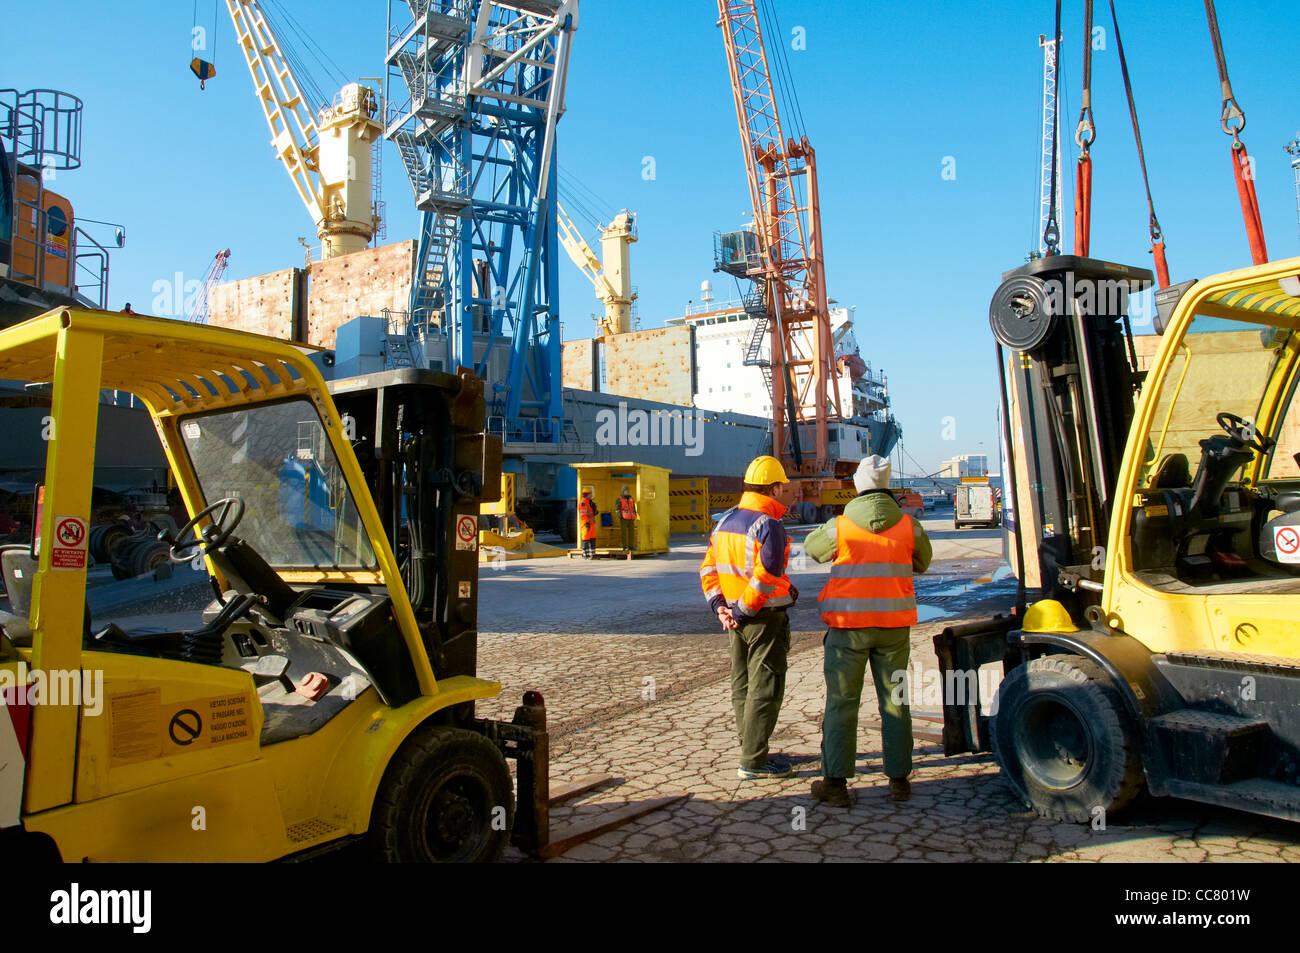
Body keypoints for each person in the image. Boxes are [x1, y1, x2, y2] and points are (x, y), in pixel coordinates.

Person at [805, 454, 931, 806]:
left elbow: (812, 550)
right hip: (893, 629)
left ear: (858, 486)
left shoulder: (841, 526)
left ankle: (835, 784)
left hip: (848, 630)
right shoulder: (908, 525)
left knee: (842, 702)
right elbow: (924, 561)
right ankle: (899, 781)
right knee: (896, 702)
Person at [700, 455, 798, 780]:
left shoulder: (724, 522)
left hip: (734, 621)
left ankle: (750, 747)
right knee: (766, 686)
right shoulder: (769, 525)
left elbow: (709, 569)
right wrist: (743, 610)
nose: (787, 492)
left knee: (741, 684)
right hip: (762, 619)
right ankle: (754, 761)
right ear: (774, 487)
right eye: (784, 488)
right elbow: (765, 575)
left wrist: (721, 609)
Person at [578, 486, 598, 558]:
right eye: (590, 494)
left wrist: (595, 511)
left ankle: (592, 554)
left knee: (592, 539)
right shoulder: (583, 503)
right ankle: (585, 554)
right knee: (585, 538)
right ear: (586, 494)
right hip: (586, 524)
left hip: (591, 524)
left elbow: (590, 513)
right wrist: (586, 523)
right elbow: (583, 515)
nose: (591, 495)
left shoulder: (589, 503)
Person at [617, 485, 637, 553]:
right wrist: (621, 516)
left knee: (631, 533)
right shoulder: (619, 499)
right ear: (622, 492)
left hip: (631, 518)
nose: (627, 492)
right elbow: (617, 509)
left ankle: (631, 546)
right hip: (624, 518)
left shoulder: (631, 498)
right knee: (624, 533)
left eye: (627, 491)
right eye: (625, 491)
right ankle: (624, 547)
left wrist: (635, 514)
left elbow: (633, 507)